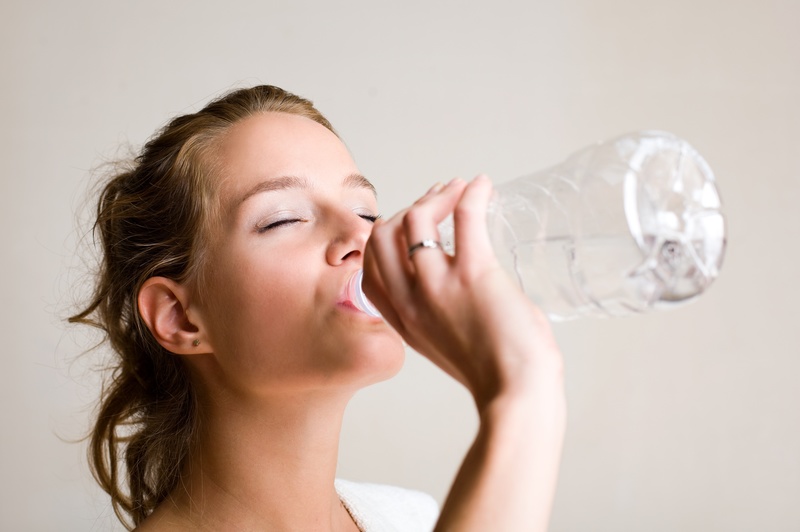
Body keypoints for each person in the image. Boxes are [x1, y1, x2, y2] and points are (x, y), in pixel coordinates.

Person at [71, 85, 566, 531]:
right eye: (284, 219)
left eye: (366, 211)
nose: (361, 236)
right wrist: (523, 392)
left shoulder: (414, 518)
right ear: (179, 316)